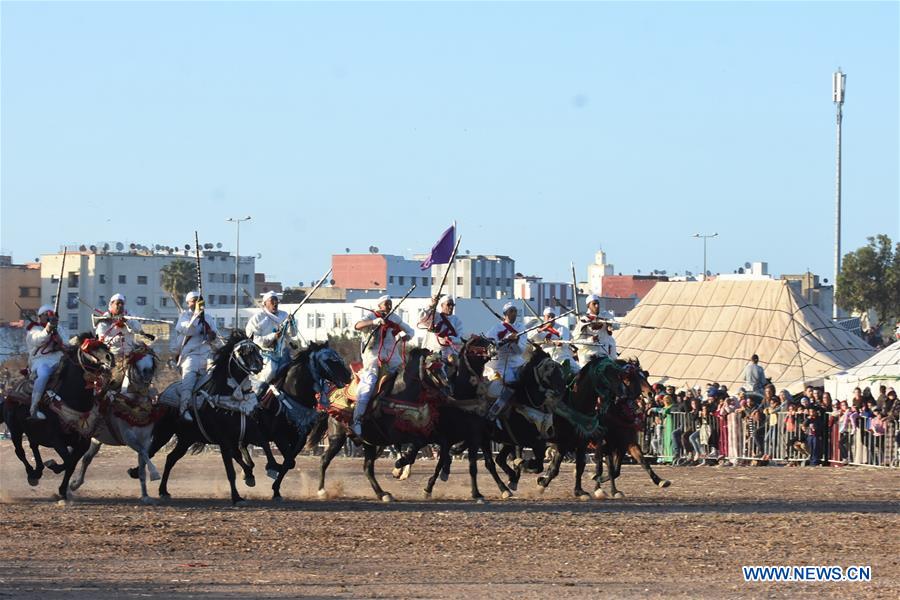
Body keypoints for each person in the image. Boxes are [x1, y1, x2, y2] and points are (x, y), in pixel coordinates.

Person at [352, 295, 415, 436]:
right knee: (368, 385)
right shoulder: (371, 315)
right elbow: (357, 325)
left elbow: (410, 330)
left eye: (390, 304)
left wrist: (408, 336)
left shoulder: (395, 318)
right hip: (373, 356)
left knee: (406, 379)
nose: (389, 306)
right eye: (386, 304)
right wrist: (373, 322)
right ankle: (357, 420)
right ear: (380, 305)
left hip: (393, 357)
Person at [169, 291, 218, 421]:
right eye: (194, 300)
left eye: (199, 300)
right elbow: (188, 330)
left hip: (207, 354)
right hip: (190, 355)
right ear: (188, 303)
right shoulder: (184, 316)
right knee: (188, 380)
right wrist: (196, 315)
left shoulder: (208, 317)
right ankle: (184, 409)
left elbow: (214, 336)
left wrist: (211, 335)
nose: (197, 303)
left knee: (215, 377)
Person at [245, 291, 301, 395]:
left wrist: (292, 323)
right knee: (271, 370)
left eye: (276, 301)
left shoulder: (284, 315)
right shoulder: (258, 318)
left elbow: (292, 334)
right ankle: (256, 394)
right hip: (265, 355)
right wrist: (273, 337)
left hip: (283, 354)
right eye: (272, 301)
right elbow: (253, 339)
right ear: (265, 303)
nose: (275, 303)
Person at [25, 305, 69, 419]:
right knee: (44, 374)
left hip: (59, 359)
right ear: (40, 317)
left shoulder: (59, 328)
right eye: (47, 315)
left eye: (51, 315)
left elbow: (66, 343)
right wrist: (49, 328)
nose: (49, 317)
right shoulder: (34, 328)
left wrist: (57, 337)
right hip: (40, 360)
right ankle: (34, 408)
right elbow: (38, 340)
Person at [485, 302, 528, 419]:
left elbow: (520, 351)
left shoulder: (521, 328)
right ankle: (494, 412)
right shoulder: (496, 329)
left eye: (515, 311)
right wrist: (505, 340)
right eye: (511, 311)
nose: (514, 313)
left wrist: (515, 342)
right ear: (505, 314)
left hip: (518, 362)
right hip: (501, 364)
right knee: (508, 382)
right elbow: (490, 347)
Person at [95, 294, 144, 393]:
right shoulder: (104, 320)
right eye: (117, 303)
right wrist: (116, 338)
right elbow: (102, 340)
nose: (120, 306)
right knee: (103, 382)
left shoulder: (129, 315)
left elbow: (138, 329)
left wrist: (128, 322)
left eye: (122, 303)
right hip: (111, 358)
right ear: (111, 304)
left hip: (129, 356)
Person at [528, 306, 578, 375]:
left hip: (561, 356)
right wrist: (542, 329)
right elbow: (529, 338)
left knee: (579, 371)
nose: (551, 318)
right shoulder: (539, 328)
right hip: (545, 357)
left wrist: (554, 342)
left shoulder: (562, 328)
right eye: (548, 316)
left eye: (552, 316)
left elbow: (563, 342)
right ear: (544, 317)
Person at [418, 295, 464, 363]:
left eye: (453, 305)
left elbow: (460, 339)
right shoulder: (435, 316)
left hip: (449, 356)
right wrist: (431, 306)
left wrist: (451, 339)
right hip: (431, 352)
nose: (451, 307)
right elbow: (421, 317)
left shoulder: (457, 320)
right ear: (442, 305)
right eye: (448, 305)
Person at [573, 295, 617, 367]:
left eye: (598, 303)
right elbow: (576, 342)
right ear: (588, 305)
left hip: (604, 355)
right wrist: (590, 340)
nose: (597, 306)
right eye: (594, 304)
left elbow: (617, 325)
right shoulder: (584, 320)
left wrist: (610, 324)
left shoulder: (605, 315)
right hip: (589, 357)